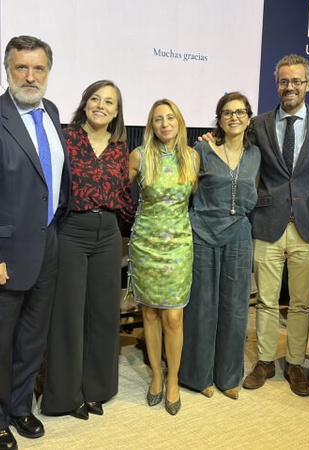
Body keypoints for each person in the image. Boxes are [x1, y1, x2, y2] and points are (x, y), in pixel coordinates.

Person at [41, 80, 134, 420]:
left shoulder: (118, 146)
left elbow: (124, 195)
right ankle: (65, 396)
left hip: (108, 233)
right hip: (72, 231)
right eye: (95, 98)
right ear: (84, 103)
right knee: (67, 314)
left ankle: (97, 390)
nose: (101, 105)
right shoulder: (65, 138)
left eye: (109, 102)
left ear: (116, 111)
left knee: (103, 314)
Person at [242, 54, 309, 397]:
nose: (290, 87)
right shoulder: (258, 123)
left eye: (297, 81)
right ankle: (265, 360)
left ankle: (294, 362)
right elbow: (237, 150)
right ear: (277, 84)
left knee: (300, 303)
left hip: (308, 224)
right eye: (284, 81)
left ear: (308, 85)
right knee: (265, 300)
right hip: (267, 222)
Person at [0, 35, 70, 450]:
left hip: (48, 245)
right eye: (21, 68)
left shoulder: (52, 112)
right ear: (8, 69)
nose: (30, 76)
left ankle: (21, 407)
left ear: (48, 71)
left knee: (32, 337)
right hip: (7, 253)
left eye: (38, 68)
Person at [179, 92, 260, 399]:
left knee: (235, 308)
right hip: (202, 232)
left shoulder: (256, 154)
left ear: (248, 117)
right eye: (227, 112)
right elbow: (190, 190)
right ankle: (199, 376)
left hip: (238, 234)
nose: (234, 117)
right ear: (219, 119)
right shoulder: (202, 148)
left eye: (239, 112)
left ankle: (228, 377)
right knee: (201, 307)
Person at [127, 98, 198, 415]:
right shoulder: (139, 156)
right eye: (158, 119)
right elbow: (114, 191)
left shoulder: (194, 158)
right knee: (151, 315)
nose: (165, 123)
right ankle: (156, 375)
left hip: (179, 246)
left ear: (179, 122)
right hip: (146, 246)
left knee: (173, 316)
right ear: (151, 126)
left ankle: (173, 379)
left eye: (170, 118)